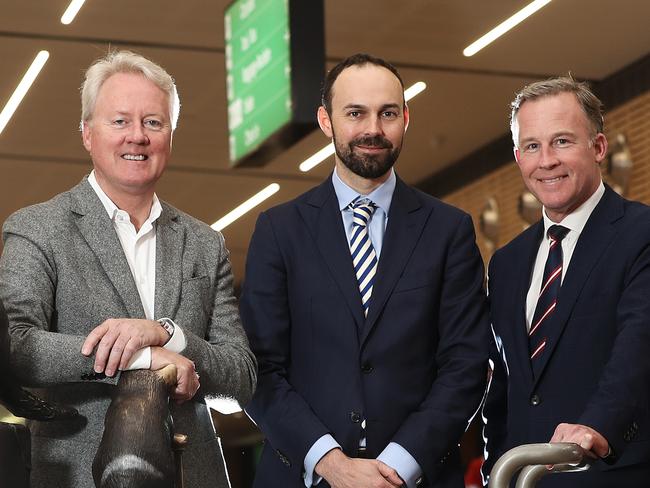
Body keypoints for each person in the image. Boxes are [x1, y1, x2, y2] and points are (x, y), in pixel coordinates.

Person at [0, 50, 257, 488]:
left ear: (170, 135)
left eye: (153, 122)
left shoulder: (204, 243)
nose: (137, 136)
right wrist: (141, 359)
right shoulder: (35, 228)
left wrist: (167, 334)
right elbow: (19, 349)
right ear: (86, 133)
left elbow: (241, 376)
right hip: (79, 475)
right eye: (119, 121)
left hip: (192, 474)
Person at [240, 53, 489, 488]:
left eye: (388, 113)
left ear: (405, 118)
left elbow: (465, 366)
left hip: (416, 477)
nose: (373, 129)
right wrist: (332, 464)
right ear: (326, 120)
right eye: (355, 113)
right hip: (305, 477)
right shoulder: (279, 231)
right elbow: (258, 370)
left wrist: (396, 467)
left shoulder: (449, 231)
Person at [482, 77, 650, 487]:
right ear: (518, 156)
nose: (547, 161)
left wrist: (596, 426)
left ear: (598, 147)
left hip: (614, 474)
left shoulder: (641, 233)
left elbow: (638, 346)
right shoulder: (506, 262)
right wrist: (493, 469)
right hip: (523, 477)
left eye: (561, 141)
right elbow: (502, 384)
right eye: (533, 146)